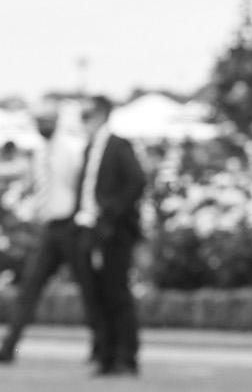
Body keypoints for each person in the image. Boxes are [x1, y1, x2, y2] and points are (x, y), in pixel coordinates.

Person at [0, 98, 99, 365]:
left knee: (88, 288)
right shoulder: (43, 150)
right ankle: (9, 347)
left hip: (70, 226)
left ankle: (101, 346)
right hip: (50, 228)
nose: (40, 126)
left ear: (55, 122)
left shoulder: (69, 149)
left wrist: (81, 221)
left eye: (45, 121)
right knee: (30, 287)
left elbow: (81, 185)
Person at [72, 93, 147, 377]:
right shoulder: (89, 148)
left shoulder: (118, 146)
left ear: (102, 115)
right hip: (88, 229)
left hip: (113, 232)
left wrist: (112, 213)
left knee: (116, 293)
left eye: (87, 116)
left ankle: (126, 357)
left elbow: (137, 180)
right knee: (96, 295)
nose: (83, 122)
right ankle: (106, 355)